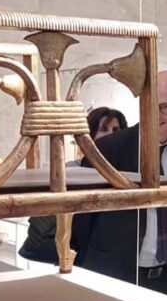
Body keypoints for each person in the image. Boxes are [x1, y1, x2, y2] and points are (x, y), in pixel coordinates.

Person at [70, 71, 167, 296]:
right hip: (112, 273)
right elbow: (83, 216)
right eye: (150, 104)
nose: (155, 114)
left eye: (165, 107)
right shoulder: (107, 149)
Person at [19, 107, 127, 264]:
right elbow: (42, 227)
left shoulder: (126, 174)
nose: (111, 135)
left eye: (116, 130)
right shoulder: (70, 171)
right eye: (104, 129)